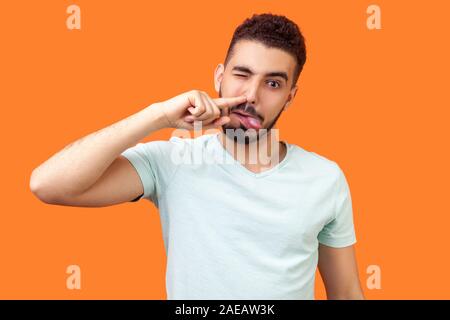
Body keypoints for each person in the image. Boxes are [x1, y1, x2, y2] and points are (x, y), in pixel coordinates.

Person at [30, 13, 365, 300]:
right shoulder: (173, 160)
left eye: (273, 84)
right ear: (219, 77)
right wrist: (158, 115)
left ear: (290, 97)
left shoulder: (325, 178)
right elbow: (48, 185)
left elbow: (346, 292)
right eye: (242, 74)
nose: (250, 96)